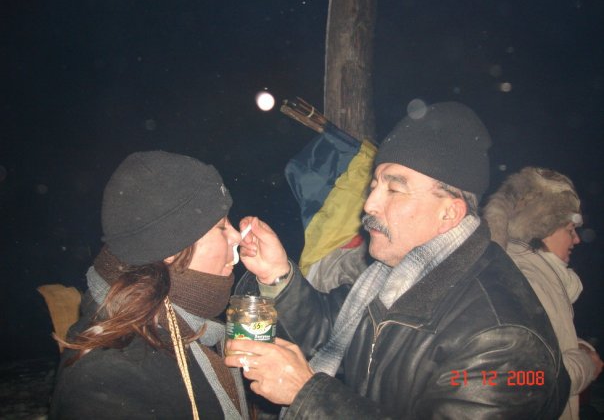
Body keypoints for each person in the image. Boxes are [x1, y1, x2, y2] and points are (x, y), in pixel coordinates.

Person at [225, 102, 570, 418]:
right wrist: (278, 274)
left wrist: (309, 396)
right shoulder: (395, 275)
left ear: (449, 212)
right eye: (375, 185)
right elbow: (328, 330)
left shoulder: (503, 340)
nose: (369, 204)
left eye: (394, 188)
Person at [50, 151, 249, 419]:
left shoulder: (186, 319)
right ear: (170, 248)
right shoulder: (110, 382)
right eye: (221, 227)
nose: (237, 236)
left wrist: (275, 277)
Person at [484, 166, 603, 420]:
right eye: (570, 230)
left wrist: (576, 345)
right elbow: (528, 382)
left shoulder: (539, 276)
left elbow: (539, 343)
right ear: (543, 227)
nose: (577, 240)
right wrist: (586, 364)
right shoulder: (530, 281)